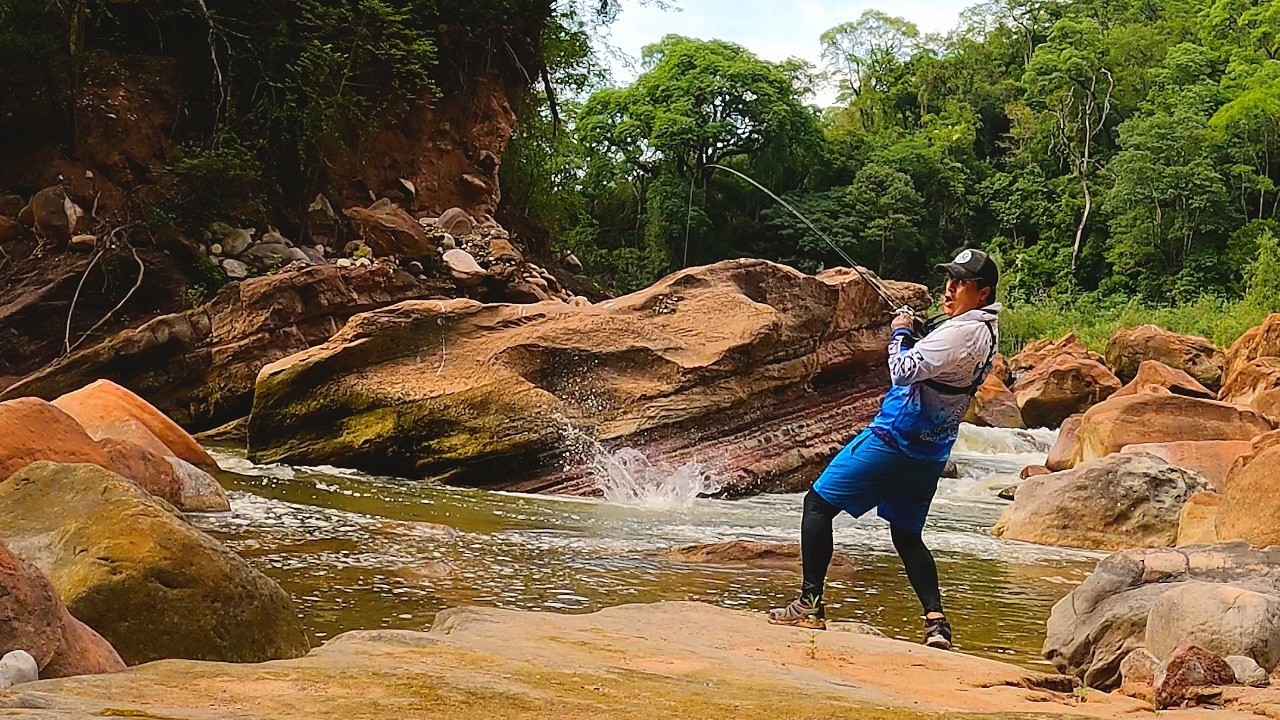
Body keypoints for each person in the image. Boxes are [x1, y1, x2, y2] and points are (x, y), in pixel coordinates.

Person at [767, 248, 1001, 650]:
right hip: (931, 451)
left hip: (895, 439)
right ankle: (937, 623)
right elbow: (943, 363)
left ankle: (810, 604)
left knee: (818, 504)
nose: (950, 288)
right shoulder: (986, 330)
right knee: (907, 535)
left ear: (983, 293)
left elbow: (902, 370)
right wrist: (920, 336)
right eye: (950, 279)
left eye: (961, 283)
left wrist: (899, 331)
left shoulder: (959, 331)